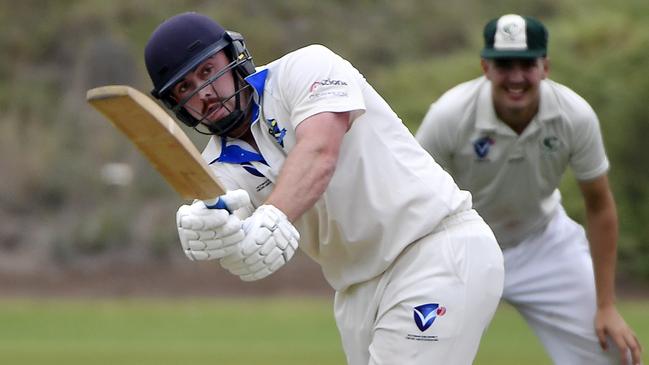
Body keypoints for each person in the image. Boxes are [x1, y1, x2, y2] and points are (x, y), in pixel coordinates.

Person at [143, 12, 504, 365]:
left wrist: (273, 214)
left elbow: (319, 151)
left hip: (433, 249)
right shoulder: (218, 167)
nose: (204, 92)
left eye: (207, 71)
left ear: (233, 56)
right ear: (178, 105)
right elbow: (245, 244)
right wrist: (212, 232)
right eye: (185, 87)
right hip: (354, 290)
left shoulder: (306, 68)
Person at [416, 14, 643, 365]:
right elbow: (416, 199)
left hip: (542, 242)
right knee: (418, 346)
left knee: (615, 352)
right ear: (486, 67)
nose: (517, 77)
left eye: (527, 64)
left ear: (546, 67)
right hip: (461, 249)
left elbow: (599, 205)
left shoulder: (575, 116)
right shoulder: (448, 115)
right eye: (505, 65)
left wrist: (606, 305)